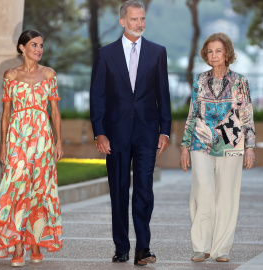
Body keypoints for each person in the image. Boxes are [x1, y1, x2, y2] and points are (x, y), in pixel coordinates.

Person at [89, 0, 171, 266]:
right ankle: (122, 247)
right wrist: (99, 132)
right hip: (115, 134)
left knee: (144, 191)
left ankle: (143, 249)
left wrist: (165, 130)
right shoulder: (105, 54)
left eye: (142, 19)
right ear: (123, 21)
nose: (140, 24)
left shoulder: (158, 52)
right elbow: (97, 97)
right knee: (119, 191)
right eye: (135, 19)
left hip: (147, 134)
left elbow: (163, 95)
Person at [0, 29, 64, 267]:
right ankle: (18, 245)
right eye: (34, 45)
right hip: (17, 138)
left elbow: (55, 113)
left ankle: (36, 241)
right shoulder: (10, 75)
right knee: (15, 188)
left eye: (41, 45)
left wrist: (58, 141)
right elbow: (6, 114)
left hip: (42, 138)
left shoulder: (49, 74)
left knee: (40, 188)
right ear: (22, 48)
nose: (39, 49)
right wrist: (2, 145)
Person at [180, 32, 256, 263]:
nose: (214, 55)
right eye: (210, 51)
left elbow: (247, 115)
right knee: (202, 191)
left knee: (227, 194)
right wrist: (184, 145)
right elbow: (192, 113)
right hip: (200, 140)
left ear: (227, 54)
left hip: (231, 141)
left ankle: (221, 248)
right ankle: (200, 246)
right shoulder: (199, 80)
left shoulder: (240, 81)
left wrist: (250, 147)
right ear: (206, 54)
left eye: (219, 51)